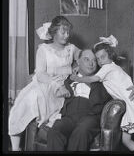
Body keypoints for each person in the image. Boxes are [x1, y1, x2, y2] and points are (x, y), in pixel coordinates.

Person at [47, 48, 134, 151]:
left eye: (94, 60)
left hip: (91, 116)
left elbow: (125, 82)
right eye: (86, 59)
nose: (91, 63)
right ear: (78, 61)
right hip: (69, 116)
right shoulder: (70, 78)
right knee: (55, 130)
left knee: (81, 131)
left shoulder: (104, 78)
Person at [8, 16, 81, 151]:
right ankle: (15, 147)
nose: (67, 35)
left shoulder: (71, 48)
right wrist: (56, 85)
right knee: (27, 100)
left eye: (68, 32)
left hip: (65, 84)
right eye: (63, 32)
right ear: (54, 33)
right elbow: (41, 74)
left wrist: (78, 66)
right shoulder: (44, 49)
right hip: (46, 83)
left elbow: (84, 58)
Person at [70, 36, 134, 151]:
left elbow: (92, 78)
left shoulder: (107, 68)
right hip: (128, 109)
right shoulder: (111, 67)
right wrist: (79, 66)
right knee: (125, 140)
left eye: (102, 57)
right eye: (97, 59)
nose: (99, 61)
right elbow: (90, 67)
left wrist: (77, 78)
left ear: (110, 55)